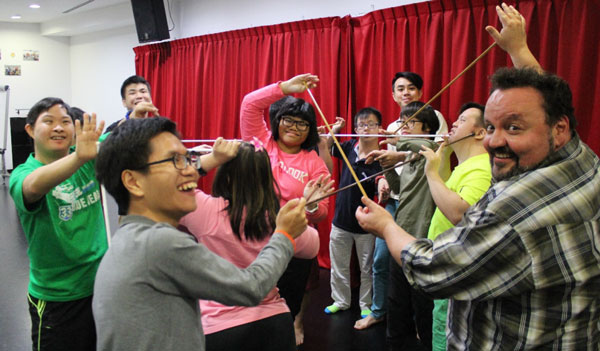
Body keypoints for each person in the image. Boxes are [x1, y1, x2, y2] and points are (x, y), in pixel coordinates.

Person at [92, 117, 309, 350]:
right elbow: (251, 287)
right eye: (176, 160)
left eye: (188, 160)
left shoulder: (131, 239)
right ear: (133, 182)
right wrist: (284, 235)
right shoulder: (158, 243)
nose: (191, 171)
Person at [179, 141, 320, 351]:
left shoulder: (205, 211)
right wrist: (305, 208)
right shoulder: (277, 219)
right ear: (266, 179)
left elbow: (170, 188)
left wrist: (210, 160)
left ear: (226, 174)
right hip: (273, 323)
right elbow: (313, 246)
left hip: (219, 327)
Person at [240, 73, 334, 345]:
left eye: (303, 124)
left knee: (288, 301)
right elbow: (249, 104)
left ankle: (288, 327)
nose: (294, 127)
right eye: (289, 119)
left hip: (293, 243)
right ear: (278, 121)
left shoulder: (313, 162)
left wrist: (312, 204)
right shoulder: (260, 142)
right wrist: (283, 88)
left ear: (310, 130)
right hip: (253, 238)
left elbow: (322, 214)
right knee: (252, 298)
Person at [8, 97, 107, 351]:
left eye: (65, 122)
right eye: (48, 121)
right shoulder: (22, 174)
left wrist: (134, 118)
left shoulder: (87, 156)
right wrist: (77, 160)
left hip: (102, 286)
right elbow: (32, 186)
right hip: (58, 300)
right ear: (30, 130)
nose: (59, 128)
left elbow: (122, 138)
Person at [364, 70, 449, 332]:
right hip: (400, 206)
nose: (405, 93)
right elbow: (400, 177)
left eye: (411, 88)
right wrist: (386, 168)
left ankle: (419, 329)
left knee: (419, 286)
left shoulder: (431, 119)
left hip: (427, 206)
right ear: (393, 94)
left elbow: (431, 147)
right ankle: (386, 319)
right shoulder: (394, 128)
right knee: (389, 272)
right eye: (400, 89)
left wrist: (399, 144)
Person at [419, 102, 492, 350]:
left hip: (458, 272)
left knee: (448, 335)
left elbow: (460, 214)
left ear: (480, 132)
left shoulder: (483, 167)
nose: (454, 124)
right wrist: (441, 157)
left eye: (461, 120)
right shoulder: (465, 166)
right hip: (446, 268)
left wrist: (430, 172)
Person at [321, 108, 382, 319]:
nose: (366, 129)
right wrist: (335, 130)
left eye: (371, 124)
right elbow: (326, 148)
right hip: (340, 221)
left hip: (367, 224)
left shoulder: (383, 157)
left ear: (379, 128)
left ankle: (366, 304)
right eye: (361, 125)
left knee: (367, 269)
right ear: (355, 129)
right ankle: (340, 300)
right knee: (338, 266)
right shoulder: (348, 147)